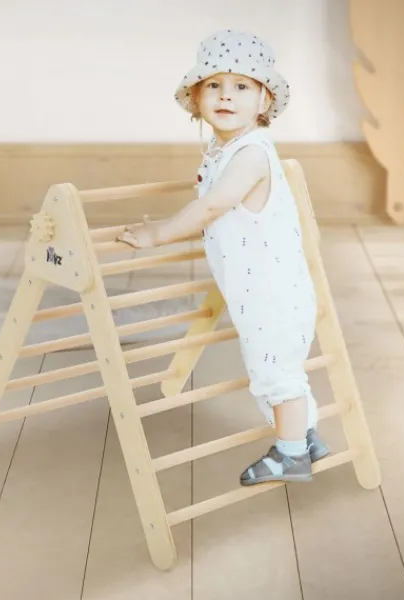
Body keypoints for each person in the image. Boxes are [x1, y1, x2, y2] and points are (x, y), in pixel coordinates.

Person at [116, 29, 330, 485]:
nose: (226, 95)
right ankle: (306, 436)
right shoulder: (222, 151)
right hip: (255, 290)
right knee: (272, 370)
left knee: (275, 375)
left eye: (242, 86)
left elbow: (213, 206)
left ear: (264, 100)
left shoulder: (251, 155)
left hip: (273, 293)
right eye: (213, 85)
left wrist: (160, 233)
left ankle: (291, 454)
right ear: (196, 98)